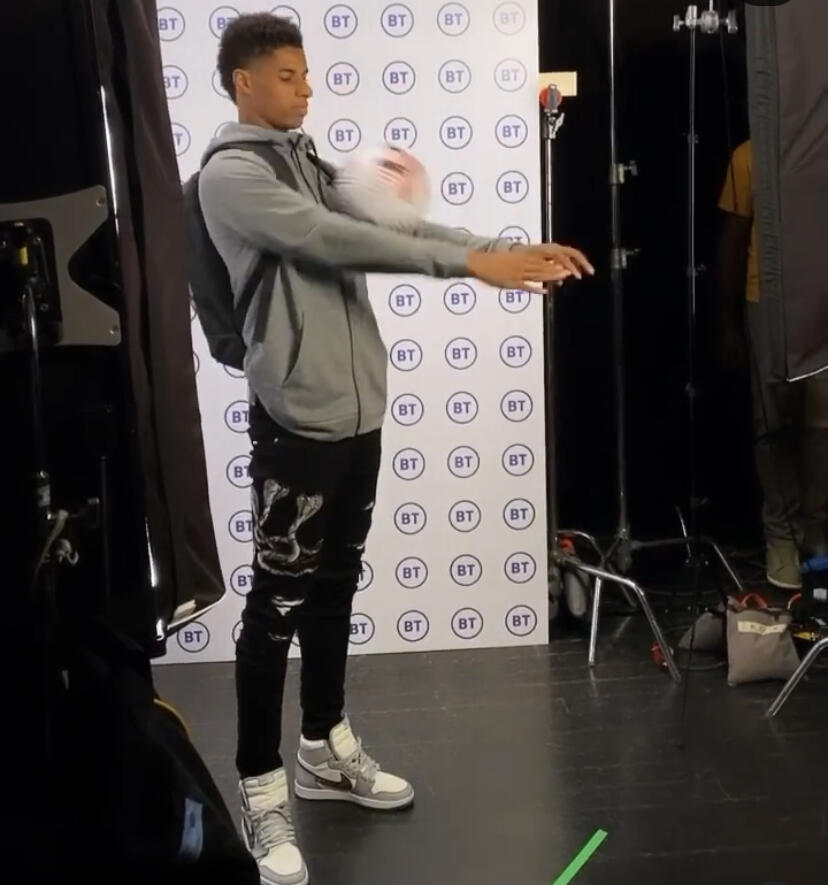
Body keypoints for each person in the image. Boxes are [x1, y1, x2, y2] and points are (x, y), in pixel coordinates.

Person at [198, 13, 594, 885]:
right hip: (296, 419)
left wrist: (497, 247)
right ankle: (261, 789)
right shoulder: (233, 176)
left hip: (359, 414)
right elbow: (334, 240)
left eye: (307, 74)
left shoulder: (306, 162)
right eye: (289, 76)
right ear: (244, 83)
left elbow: (399, 227)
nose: (307, 89)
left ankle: (323, 746)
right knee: (276, 607)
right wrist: (471, 269)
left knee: (335, 585)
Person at [717, 139, 828, 590]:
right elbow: (733, 239)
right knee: (774, 426)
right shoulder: (751, 154)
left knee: (821, 427)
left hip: (821, 301)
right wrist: (726, 323)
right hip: (767, 299)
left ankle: (817, 536)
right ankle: (781, 537)